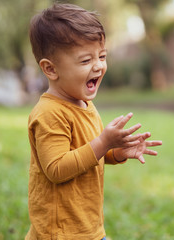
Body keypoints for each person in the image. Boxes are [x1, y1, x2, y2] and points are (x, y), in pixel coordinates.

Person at [25, 3, 162, 240]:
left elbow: (87, 154)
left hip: (87, 228)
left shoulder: (85, 104)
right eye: (86, 60)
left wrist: (115, 151)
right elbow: (57, 169)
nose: (98, 65)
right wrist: (103, 142)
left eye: (102, 56)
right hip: (61, 232)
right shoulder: (49, 113)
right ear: (51, 69)